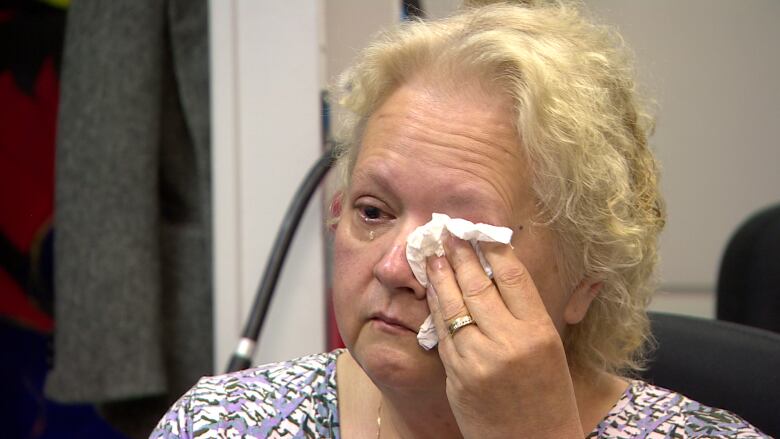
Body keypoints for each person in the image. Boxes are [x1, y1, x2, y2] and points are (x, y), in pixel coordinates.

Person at [151, 1, 768, 438]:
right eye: (372, 211)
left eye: (457, 237)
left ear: (586, 281)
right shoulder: (222, 423)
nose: (396, 266)